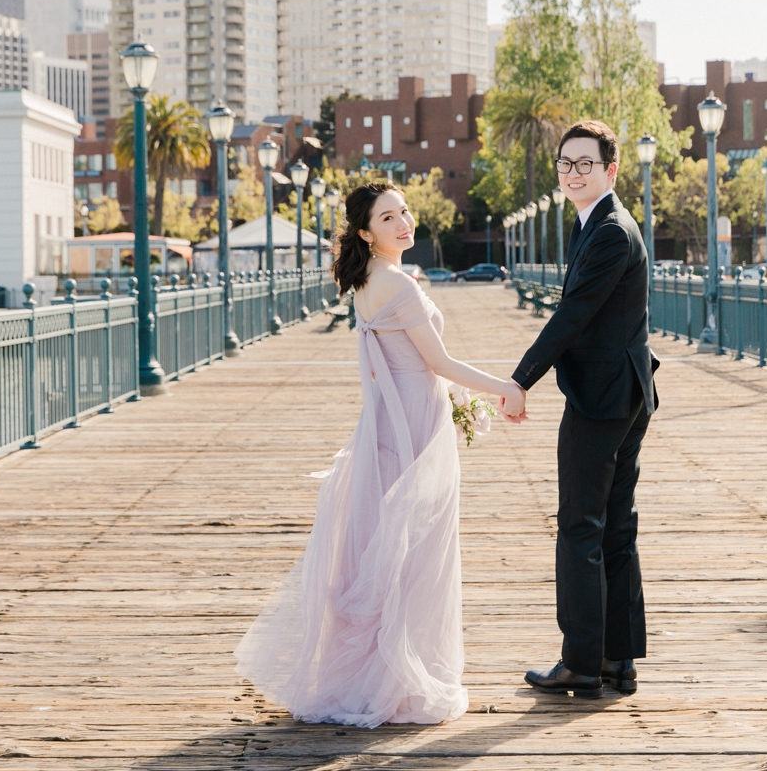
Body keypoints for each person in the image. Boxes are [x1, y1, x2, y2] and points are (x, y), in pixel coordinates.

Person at [235, 180, 525, 727]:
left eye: (405, 212)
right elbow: (438, 362)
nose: (404, 222)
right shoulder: (400, 284)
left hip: (388, 426)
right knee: (415, 549)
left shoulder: (367, 279)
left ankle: (377, 673)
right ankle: (396, 681)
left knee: (389, 542)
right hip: (414, 425)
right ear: (366, 232)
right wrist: (505, 386)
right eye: (389, 217)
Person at [505, 119, 657, 699]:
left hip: (603, 399)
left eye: (584, 164)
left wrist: (520, 380)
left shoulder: (611, 231)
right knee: (615, 529)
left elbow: (573, 317)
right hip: (624, 393)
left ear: (610, 170)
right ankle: (616, 661)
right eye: (565, 164)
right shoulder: (597, 224)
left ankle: (581, 663)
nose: (572, 173)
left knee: (579, 528)